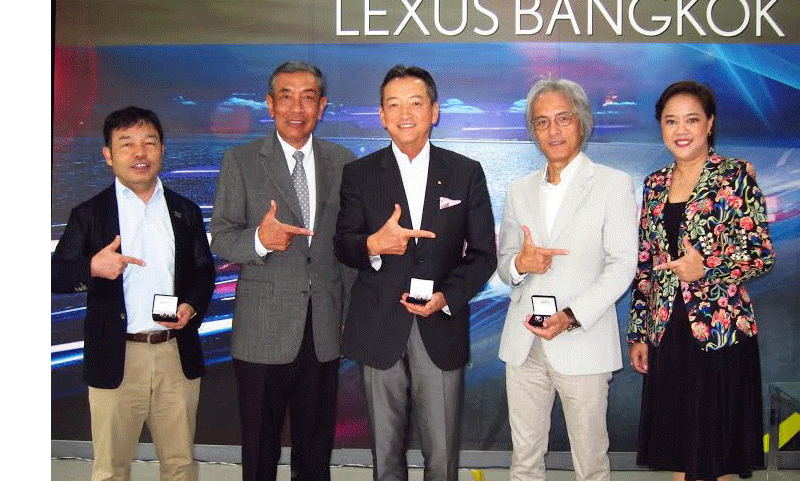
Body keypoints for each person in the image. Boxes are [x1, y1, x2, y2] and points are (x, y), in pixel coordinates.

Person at [334, 65, 496, 481]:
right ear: (381, 115)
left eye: (415, 103)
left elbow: (483, 254)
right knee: (385, 457)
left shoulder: (465, 171)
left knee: (441, 458)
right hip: (377, 325)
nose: (404, 113)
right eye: (393, 104)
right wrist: (374, 244)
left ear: (434, 111)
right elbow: (343, 244)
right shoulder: (359, 174)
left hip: (440, 323)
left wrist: (448, 297)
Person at [52, 106, 216, 481]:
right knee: (111, 469)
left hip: (175, 353)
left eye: (149, 143)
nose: (140, 153)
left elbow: (203, 270)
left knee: (180, 466)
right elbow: (55, 274)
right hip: (116, 356)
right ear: (108, 155)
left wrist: (191, 305)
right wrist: (92, 268)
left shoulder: (185, 211)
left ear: (162, 150)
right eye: (126, 144)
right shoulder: (89, 214)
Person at [209, 60, 355, 481]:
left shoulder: (344, 163)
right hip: (262, 330)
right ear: (270, 104)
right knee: (260, 452)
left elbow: (347, 248)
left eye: (308, 98)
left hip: (323, 330)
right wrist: (260, 239)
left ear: (322, 106)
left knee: (315, 453)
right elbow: (221, 237)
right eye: (286, 97)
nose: (297, 108)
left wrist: (348, 317)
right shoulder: (241, 160)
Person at [628, 81, 775, 481]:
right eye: (671, 121)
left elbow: (761, 254)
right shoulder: (654, 184)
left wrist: (707, 267)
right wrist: (639, 334)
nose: (681, 130)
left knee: (714, 457)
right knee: (680, 453)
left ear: (709, 124)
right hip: (666, 333)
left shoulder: (734, 175)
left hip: (719, 333)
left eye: (691, 120)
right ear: (660, 126)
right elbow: (647, 264)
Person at [497, 77, 638, 481]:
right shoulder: (519, 189)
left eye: (563, 118)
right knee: (524, 461)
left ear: (582, 122)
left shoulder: (613, 184)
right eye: (542, 122)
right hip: (524, 343)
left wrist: (571, 316)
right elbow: (505, 263)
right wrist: (521, 264)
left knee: (591, 464)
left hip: (583, 340)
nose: (553, 130)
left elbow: (622, 265)